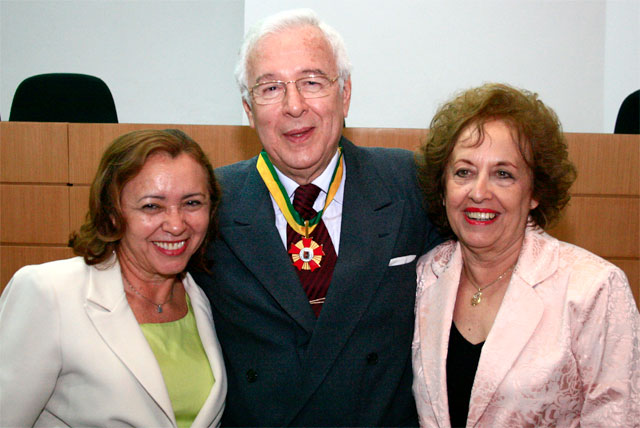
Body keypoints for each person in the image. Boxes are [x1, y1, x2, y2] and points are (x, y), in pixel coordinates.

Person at [190, 8, 440, 427]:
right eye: (271, 88)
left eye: (311, 82)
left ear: (345, 94)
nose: (294, 106)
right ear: (249, 110)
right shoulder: (209, 202)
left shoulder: (410, 184)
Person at [412, 83, 640, 427]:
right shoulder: (426, 275)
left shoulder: (594, 289)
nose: (479, 192)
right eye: (464, 172)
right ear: (443, 189)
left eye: (503, 174)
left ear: (534, 192)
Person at [0, 129, 227, 427]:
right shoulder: (48, 293)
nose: (176, 225)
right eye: (152, 206)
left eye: (192, 203)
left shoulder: (208, 297)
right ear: (112, 213)